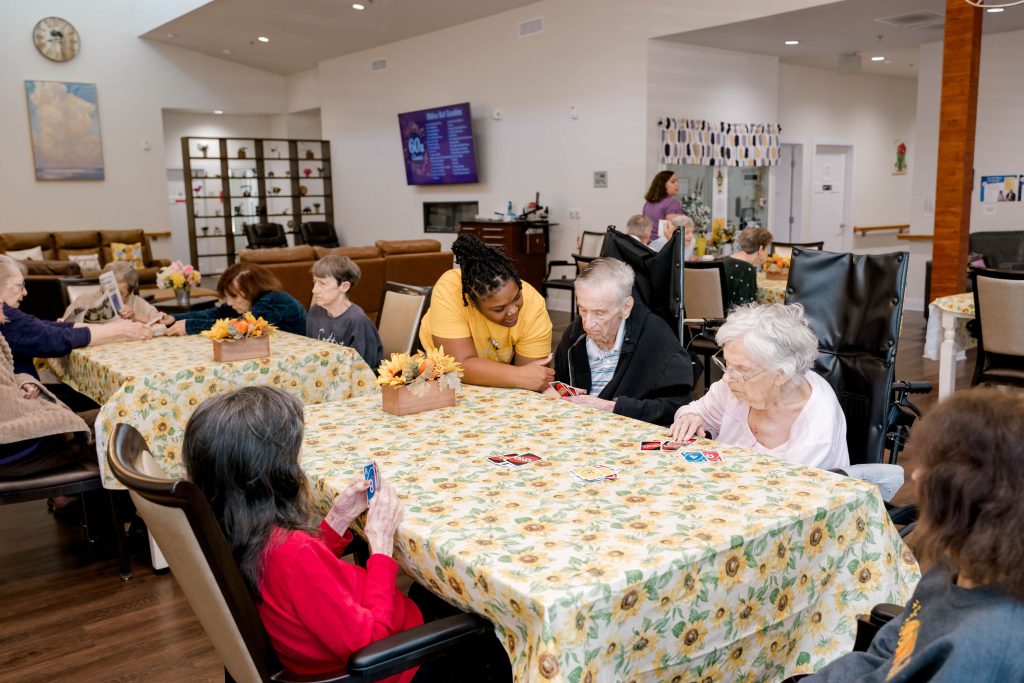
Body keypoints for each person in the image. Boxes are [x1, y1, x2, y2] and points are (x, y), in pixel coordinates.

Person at [182, 386, 422, 681]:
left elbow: (296, 583)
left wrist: (338, 518)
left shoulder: (231, 529)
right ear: (273, 470)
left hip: (328, 641)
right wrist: (381, 548)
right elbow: (373, 647)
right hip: (395, 663)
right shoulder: (293, 552)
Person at [803, 388, 1024, 682]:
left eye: (932, 468)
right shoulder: (952, 568)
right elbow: (888, 650)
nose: (916, 476)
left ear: (975, 497)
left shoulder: (983, 647)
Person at [670, 303, 848, 469]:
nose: (726, 377)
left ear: (781, 374)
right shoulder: (735, 385)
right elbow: (692, 412)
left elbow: (789, 493)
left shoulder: (816, 428)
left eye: (741, 369)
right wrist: (689, 419)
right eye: (727, 364)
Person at [551, 257, 693, 426]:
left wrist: (614, 408)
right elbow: (560, 385)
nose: (587, 323)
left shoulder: (657, 340)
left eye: (599, 313)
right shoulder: (574, 337)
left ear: (626, 307)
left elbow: (679, 407)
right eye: (582, 309)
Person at [418, 234, 553, 392]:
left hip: (505, 371)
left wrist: (522, 377)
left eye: (517, 297)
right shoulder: (450, 290)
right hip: (437, 369)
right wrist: (518, 376)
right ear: (473, 304)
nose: (513, 311)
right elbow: (458, 366)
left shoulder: (534, 304)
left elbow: (532, 379)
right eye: (499, 309)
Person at [0, 254, 153, 378]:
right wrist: (118, 330)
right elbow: (52, 339)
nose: (25, 292)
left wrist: (25, 380)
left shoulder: (8, 314)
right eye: (20, 285)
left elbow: (44, 328)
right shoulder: (5, 315)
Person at [0, 323, 92, 479]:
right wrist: (62, 421)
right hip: (16, 448)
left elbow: (8, 377)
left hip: (21, 436)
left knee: (107, 421)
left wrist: (24, 382)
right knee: (116, 428)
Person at [168, 262, 306, 336]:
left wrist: (190, 325)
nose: (229, 302)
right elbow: (215, 314)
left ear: (252, 289)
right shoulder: (247, 302)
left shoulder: (275, 300)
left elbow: (238, 328)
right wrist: (174, 319)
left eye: (234, 296)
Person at [306, 254, 383, 370]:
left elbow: (363, 369)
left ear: (344, 286)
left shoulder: (357, 321)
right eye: (314, 282)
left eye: (322, 283)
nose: (314, 290)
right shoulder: (315, 312)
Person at [61, 261, 176, 328]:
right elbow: (63, 326)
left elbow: (160, 325)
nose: (111, 297)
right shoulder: (85, 299)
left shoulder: (137, 303)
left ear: (130, 292)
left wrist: (135, 317)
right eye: (106, 291)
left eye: (120, 294)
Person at [723, 227, 773, 310]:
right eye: (767, 248)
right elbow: (748, 308)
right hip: (734, 320)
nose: (767, 252)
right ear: (761, 249)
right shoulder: (747, 269)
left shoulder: (725, 261)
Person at [642, 170, 685, 242]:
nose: (677, 184)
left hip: (648, 243)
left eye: (677, 181)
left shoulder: (648, 203)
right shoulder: (672, 203)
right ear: (663, 185)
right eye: (673, 182)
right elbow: (678, 229)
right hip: (664, 245)